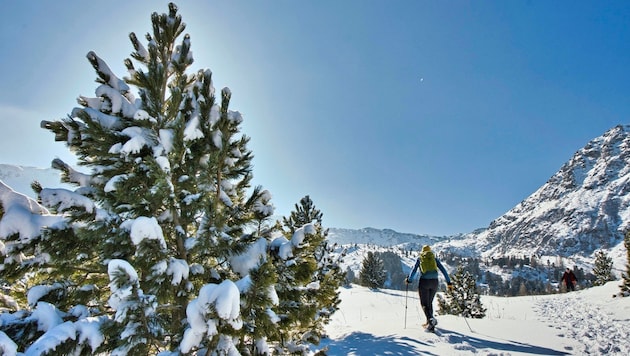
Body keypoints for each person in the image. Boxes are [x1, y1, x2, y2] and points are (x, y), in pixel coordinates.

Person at [405, 245, 452, 331]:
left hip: (424, 282)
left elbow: (414, 271)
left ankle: (430, 320)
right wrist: (449, 282)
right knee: (429, 302)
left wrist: (409, 280)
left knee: (424, 303)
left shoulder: (420, 258)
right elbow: (444, 270)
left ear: (422, 251)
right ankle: (430, 323)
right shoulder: (434, 258)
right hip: (434, 282)